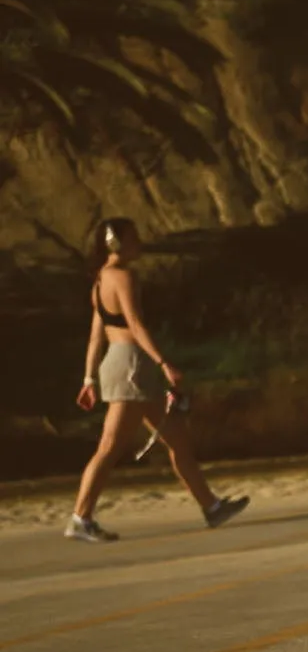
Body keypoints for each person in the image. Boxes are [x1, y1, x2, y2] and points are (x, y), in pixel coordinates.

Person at [68, 218, 248, 543]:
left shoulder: (99, 280)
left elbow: (96, 336)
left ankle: (212, 507)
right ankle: (81, 517)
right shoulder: (122, 277)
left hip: (122, 364)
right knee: (109, 447)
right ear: (117, 243)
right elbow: (135, 325)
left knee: (177, 441)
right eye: (134, 237)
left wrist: (89, 378)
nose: (140, 242)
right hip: (132, 366)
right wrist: (164, 362)